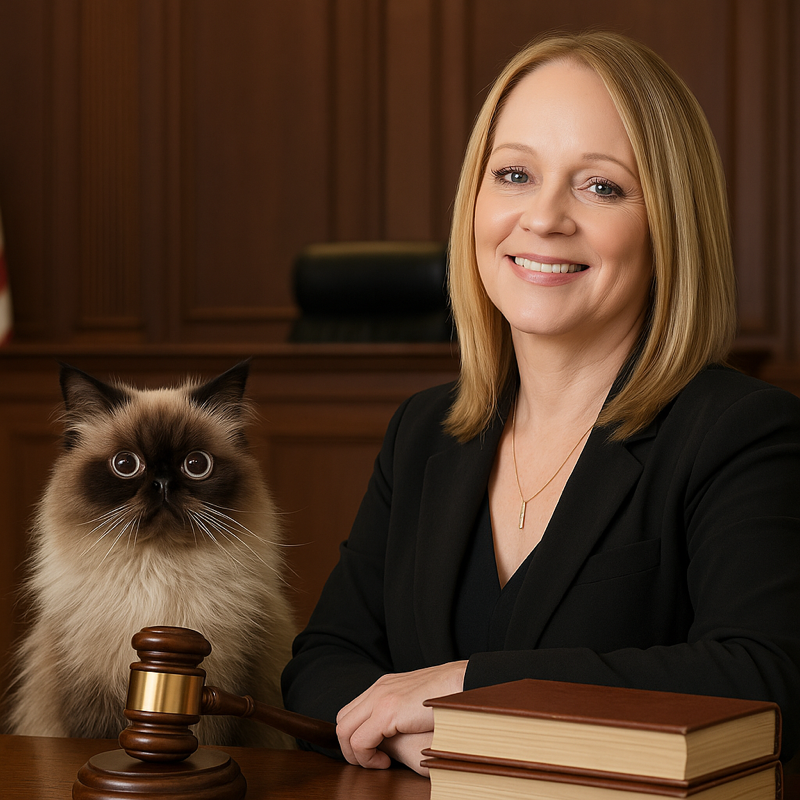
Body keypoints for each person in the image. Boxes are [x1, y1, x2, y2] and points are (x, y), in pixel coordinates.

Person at [281, 30, 800, 775]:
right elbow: (322, 665)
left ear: (669, 227)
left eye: (601, 186)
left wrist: (464, 691)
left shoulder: (740, 432)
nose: (545, 217)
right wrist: (395, 727)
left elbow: (764, 677)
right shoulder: (423, 432)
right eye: (515, 173)